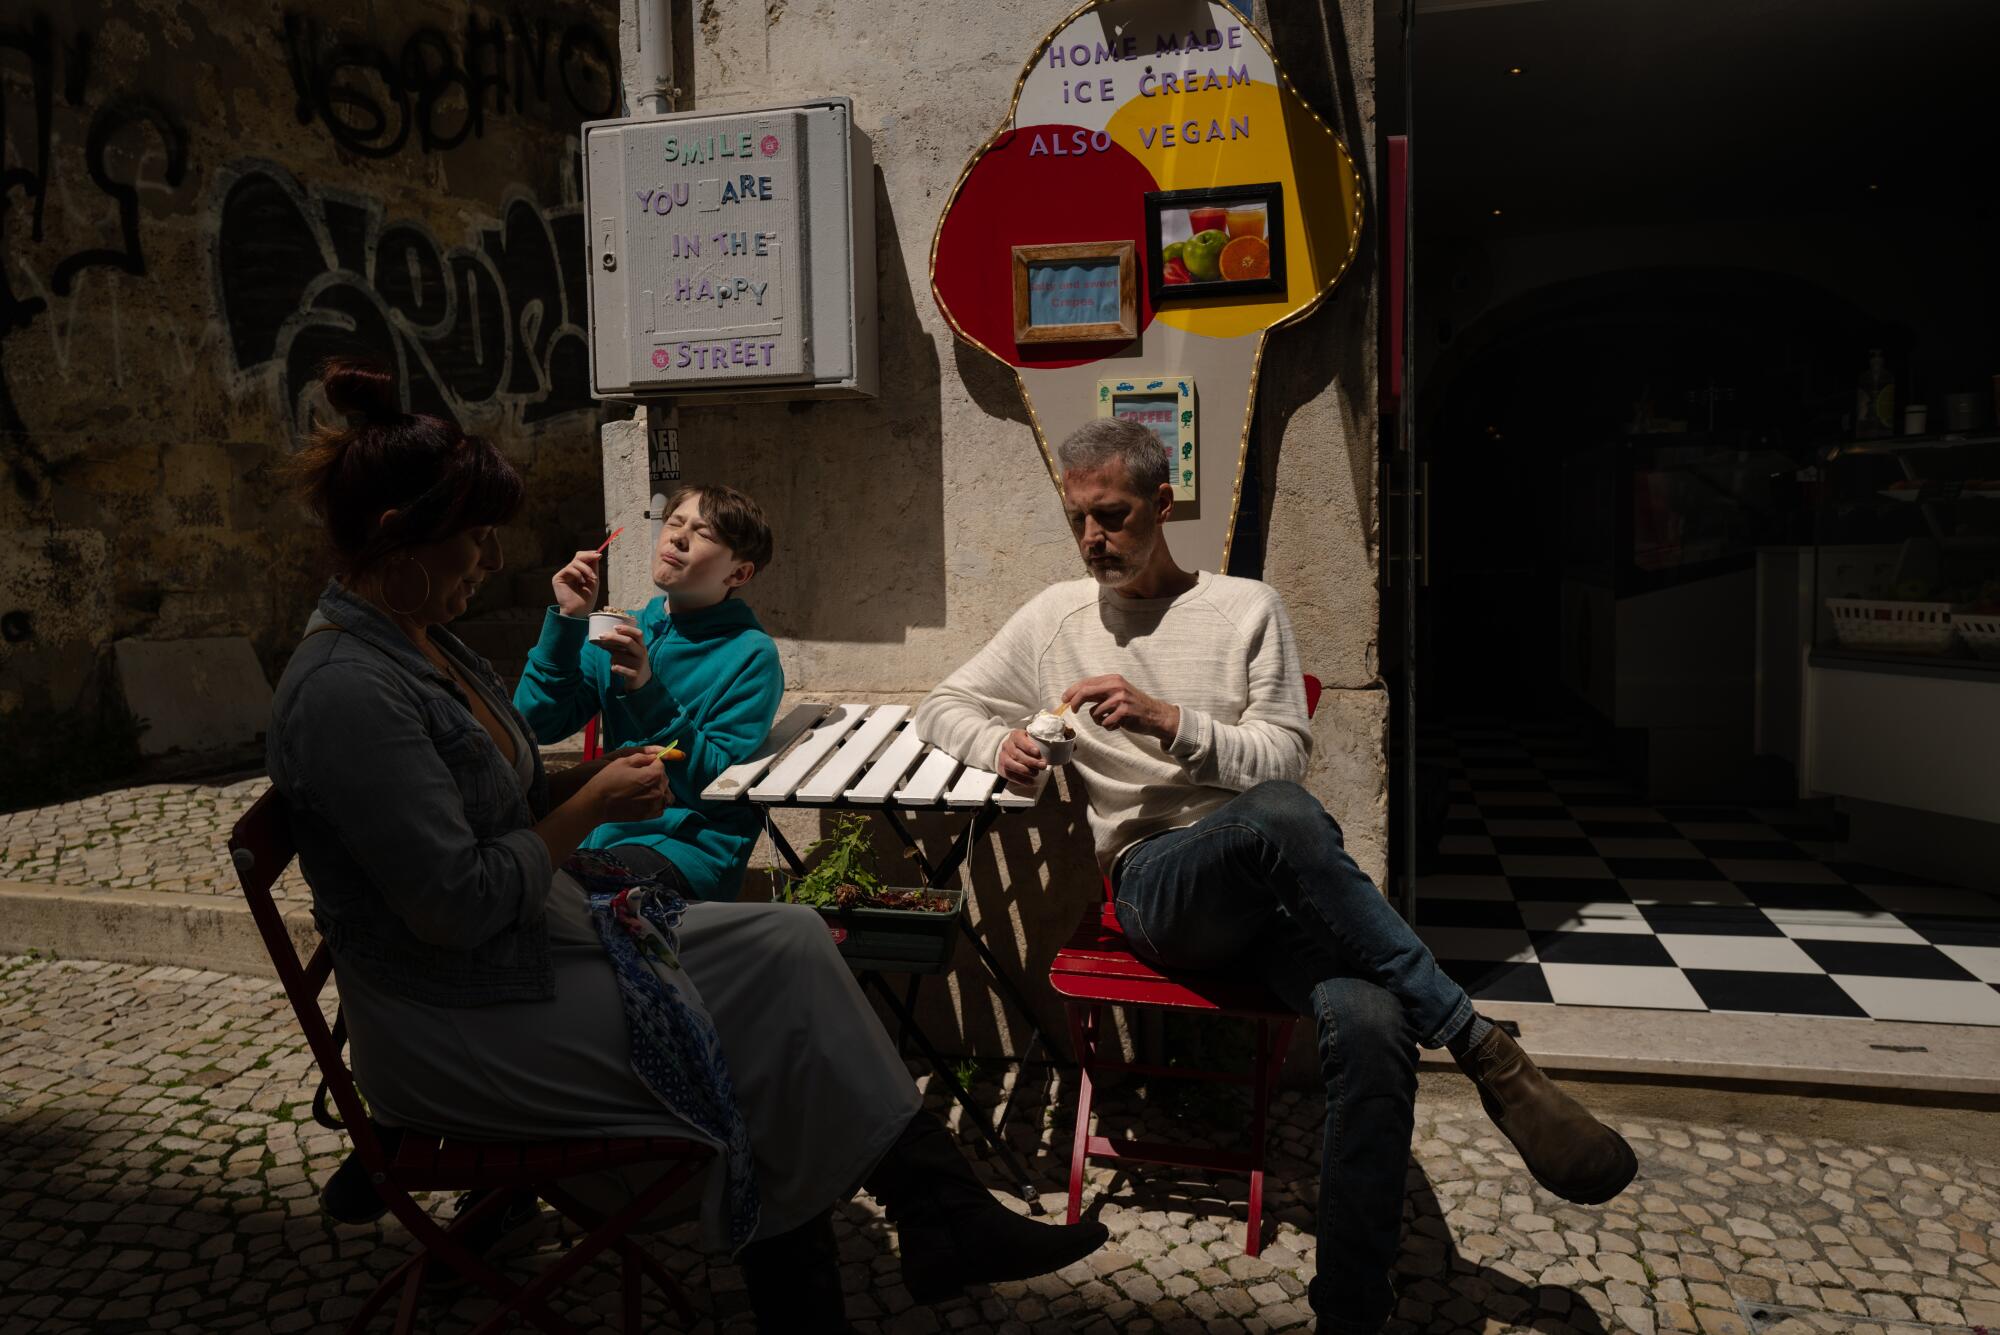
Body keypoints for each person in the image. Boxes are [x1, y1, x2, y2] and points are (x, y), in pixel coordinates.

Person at [267, 358, 1107, 1332]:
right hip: (466, 1012)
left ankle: (942, 1210)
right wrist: (593, 772)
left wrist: (607, 770)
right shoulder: (349, 692)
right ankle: (876, 1261)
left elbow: (532, 776)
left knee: (792, 943)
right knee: (754, 1054)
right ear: (394, 541)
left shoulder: (421, 639)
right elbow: (458, 898)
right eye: (474, 538)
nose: (489, 560)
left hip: (536, 939)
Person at [913, 418, 1636, 1335]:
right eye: (1079, 519)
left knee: (1371, 1023)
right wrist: (999, 742)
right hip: (1157, 888)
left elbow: (1283, 757)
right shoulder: (1055, 618)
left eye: (1114, 515)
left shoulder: (1246, 608)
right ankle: (1480, 1042)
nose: (1095, 538)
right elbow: (943, 704)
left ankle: (1352, 1306)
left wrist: (1170, 720)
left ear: (1162, 505)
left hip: (1280, 896)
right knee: (1283, 823)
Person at [512, 483, 782, 901]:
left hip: (688, 848)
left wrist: (645, 689)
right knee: (511, 878)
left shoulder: (751, 656)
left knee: (547, 894)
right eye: (675, 522)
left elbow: (714, 785)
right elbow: (537, 725)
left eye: (704, 533)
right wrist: (568, 622)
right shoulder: (620, 627)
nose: (678, 536)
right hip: (599, 835)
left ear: (738, 573)